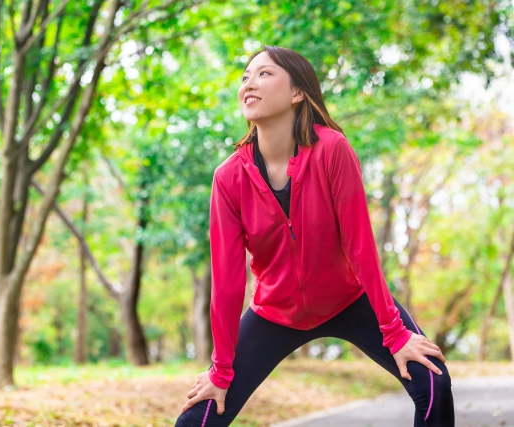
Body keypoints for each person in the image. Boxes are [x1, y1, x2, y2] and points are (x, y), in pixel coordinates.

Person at [174, 45, 454, 427]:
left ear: (297, 93)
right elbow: (227, 282)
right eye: (245, 77)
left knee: (433, 382)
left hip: (351, 300)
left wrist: (394, 331)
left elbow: (360, 246)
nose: (249, 83)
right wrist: (221, 371)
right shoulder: (228, 178)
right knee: (196, 420)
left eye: (264, 73)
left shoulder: (332, 150)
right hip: (274, 312)